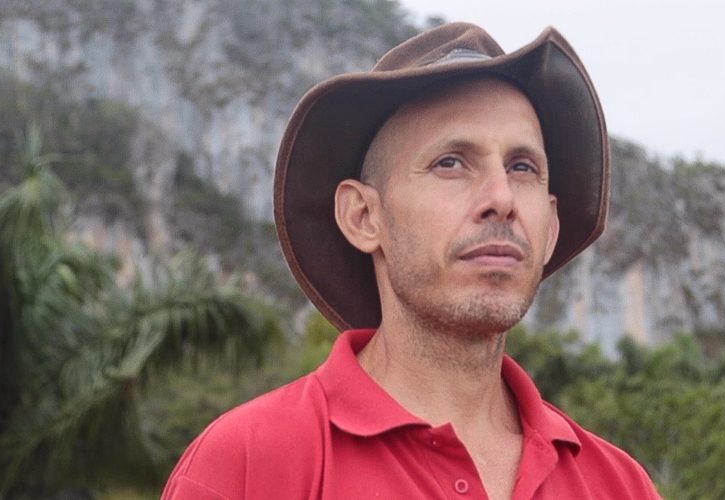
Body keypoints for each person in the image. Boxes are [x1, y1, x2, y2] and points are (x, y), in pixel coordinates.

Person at [162, 22, 661, 500]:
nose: (501, 198)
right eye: (451, 162)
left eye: (522, 167)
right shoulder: (247, 465)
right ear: (363, 216)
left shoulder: (621, 485)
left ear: (549, 229)